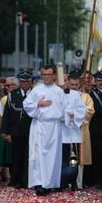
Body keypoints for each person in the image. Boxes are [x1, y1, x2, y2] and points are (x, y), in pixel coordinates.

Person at [23, 65, 66, 195]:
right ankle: (39, 183)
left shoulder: (59, 91)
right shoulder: (36, 90)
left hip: (54, 127)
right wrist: (38, 104)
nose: (47, 77)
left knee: (52, 156)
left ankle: (49, 183)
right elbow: (26, 104)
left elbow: (64, 109)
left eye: (49, 74)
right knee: (38, 155)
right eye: (44, 75)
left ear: (54, 76)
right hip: (40, 126)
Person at [0, 71, 33, 188]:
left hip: (31, 131)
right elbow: (7, 114)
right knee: (16, 157)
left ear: (31, 82)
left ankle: (27, 180)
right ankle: (16, 180)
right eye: (23, 81)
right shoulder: (12, 94)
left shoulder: (35, 93)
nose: (25, 84)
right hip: (16, 131)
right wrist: (4, 131)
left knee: (29, 157)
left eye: (27, 81)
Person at [60, 76, 87, 190]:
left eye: (67, 81)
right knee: (61, 159)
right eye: (63, 81)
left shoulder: (76, 95)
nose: (65, 83)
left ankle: (73, 181)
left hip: (72, 131)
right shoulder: (56, 95)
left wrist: (74, 115)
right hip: (59, 131)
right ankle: (61, 182)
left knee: (73, 159)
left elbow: (82, 109)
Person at [69, 72, 94, 189]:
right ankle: (68, 181)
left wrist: (77, 118)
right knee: (70, 156)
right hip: (68, 130)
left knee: (81, 157)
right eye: (72, 84)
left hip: (81, 129)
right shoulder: (64, 96)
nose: (73, 87)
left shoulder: (86, 97)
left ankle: (79, 182)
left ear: (79, 85)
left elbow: (90, 111)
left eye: (76, 84)